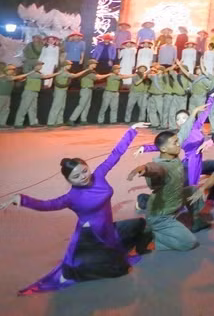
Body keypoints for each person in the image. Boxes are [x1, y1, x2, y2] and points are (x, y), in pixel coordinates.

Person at [1, 124, 151, 294]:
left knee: (140, 224)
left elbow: (115, 154)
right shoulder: (71, 197)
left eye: (84, 171)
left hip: (108, 229)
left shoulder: (99, 175)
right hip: (91, 236)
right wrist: (22, 200)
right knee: (121, 270)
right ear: (69, 180)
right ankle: (76, 268)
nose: (83, 177)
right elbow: (47, 205)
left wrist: (132, 130)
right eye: (76, 176)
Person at [127, 130, 206, 251]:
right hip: (161, 216)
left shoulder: (173, 157)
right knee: (190, 243)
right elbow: (156, 169)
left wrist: (195, 112)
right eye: (175, 143)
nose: (179, 144)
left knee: (193, 191)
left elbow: (185, 129)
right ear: (164, 149)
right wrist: (146, 168)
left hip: (173, 201)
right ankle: (155, 237)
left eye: (178, 142)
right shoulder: (162, 165)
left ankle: (196, 221)